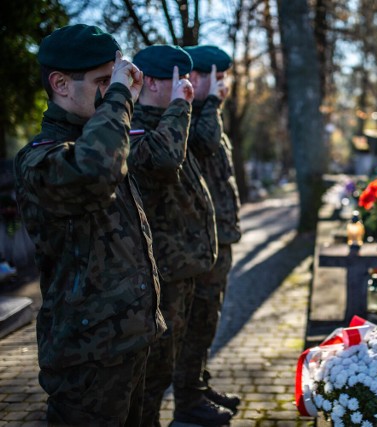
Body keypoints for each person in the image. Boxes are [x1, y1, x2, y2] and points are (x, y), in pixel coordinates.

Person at [13, 24, 165, 425]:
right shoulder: (40, 159)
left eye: (113, 79)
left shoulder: (104, 137)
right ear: (61, 84)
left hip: (131, 342)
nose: (113, 90)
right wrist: (118, 97)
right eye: (101, 81)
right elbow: (94, 170)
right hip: (87, 360)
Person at [127, 45, 229, 426]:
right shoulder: (139, 126)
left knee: (169, 361)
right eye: (178, 79)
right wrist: (181, 106)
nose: (185, 86)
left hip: (185, 265)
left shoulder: (171, 119)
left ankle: (182, 401)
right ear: (152, 81)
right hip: (164, 270)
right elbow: (165, 160)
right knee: (154, 372)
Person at [173, 44, 242, 420]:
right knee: (197, 324)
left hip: (219, 241)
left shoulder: (205, 115)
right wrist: (212, 105)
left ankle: (198, 386)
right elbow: (204, 145)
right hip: (201, 246)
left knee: (208, 321)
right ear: (194, 77)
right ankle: (189, 401)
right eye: (216, 79)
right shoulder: (188, 118)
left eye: (223, 79)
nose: (222, 87)